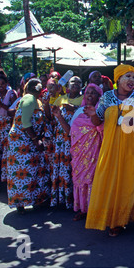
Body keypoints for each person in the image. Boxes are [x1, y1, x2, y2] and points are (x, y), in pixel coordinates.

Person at [85, 64, 134, 238]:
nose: (131, 80)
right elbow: (98, 122)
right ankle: (116, 221)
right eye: (127, 76)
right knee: (113, 183)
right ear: (118, 79)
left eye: (133, 77)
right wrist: (92, 114)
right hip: (111, 148)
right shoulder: (107, 97)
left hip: (132, 149)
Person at [6, 78, 50, 214]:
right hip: (22, 141)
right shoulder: (29, 98)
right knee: (22, 172)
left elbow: (45, 118)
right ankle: (20, 202)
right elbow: (25, 122)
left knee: (34, 170)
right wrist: (36, 140)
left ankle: (36, 199)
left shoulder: (37, 101)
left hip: (30, 140)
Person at [69, 83, 104, 221]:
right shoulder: (79, 111)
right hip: (79, 153)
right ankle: (83, 209)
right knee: (80, 179)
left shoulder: (101, 111)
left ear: (99, 96)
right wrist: (59, 117)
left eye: (93, 92)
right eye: (87, 92)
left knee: (93, 180)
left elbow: (101, 127)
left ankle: (95, 210)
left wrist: (94, 114)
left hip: (94, 152)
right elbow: (70, 131)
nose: (89, 95)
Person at [50, 76, 83, 209]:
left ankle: (73, 200)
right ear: (67, 86)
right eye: (72, 82)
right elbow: (51, 116)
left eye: (78, 82)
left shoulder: (83, 100)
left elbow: (85, 112)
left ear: (82, 86)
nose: (75, 84)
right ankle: (61, 198)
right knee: (61, 167)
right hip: (60, 140)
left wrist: (73, 108)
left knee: (72, 167)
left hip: (75, 139)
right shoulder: (61, 98)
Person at [0, 71, 18, 184]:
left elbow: (13, 110)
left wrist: (1, 105)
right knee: (1, 150)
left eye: (2, 83)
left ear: (6, 83)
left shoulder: (11, 94)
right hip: (0, 125)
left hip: (9, 123)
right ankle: (3, 178)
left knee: (9, 149)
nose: (0, 85)